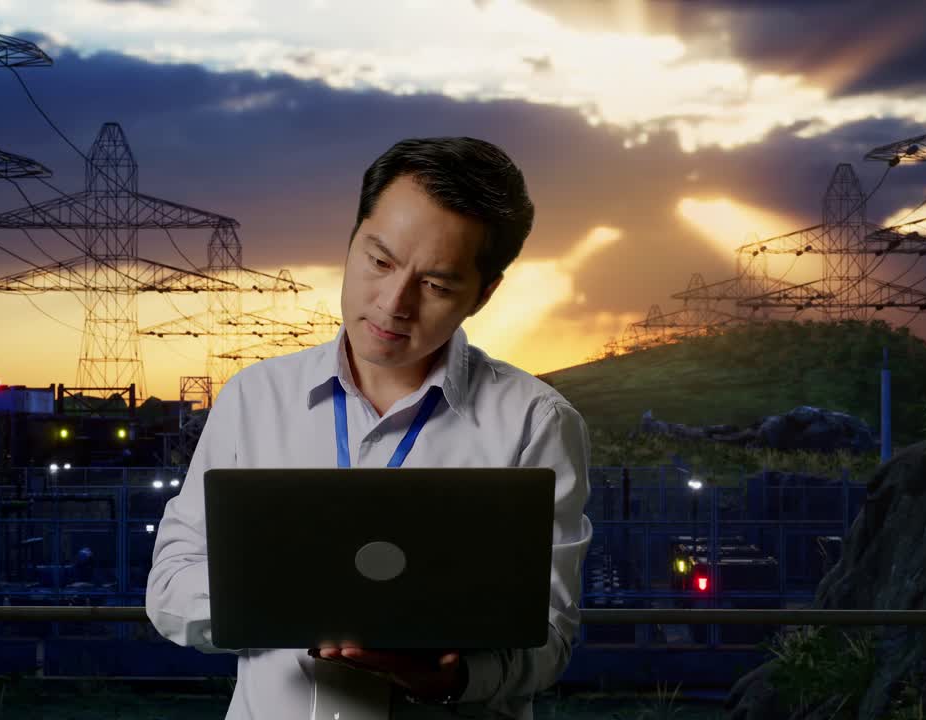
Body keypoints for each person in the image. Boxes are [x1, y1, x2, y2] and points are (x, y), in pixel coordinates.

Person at [146, 136, 593, 719]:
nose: (392, 303)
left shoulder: (535, 422)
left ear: (483, 295)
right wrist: (284, 602)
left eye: (436, 285)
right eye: (379, 261)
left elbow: (551, 638)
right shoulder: (255, 399)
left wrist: (451, 679)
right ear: (351, 241)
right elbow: (169, 589)